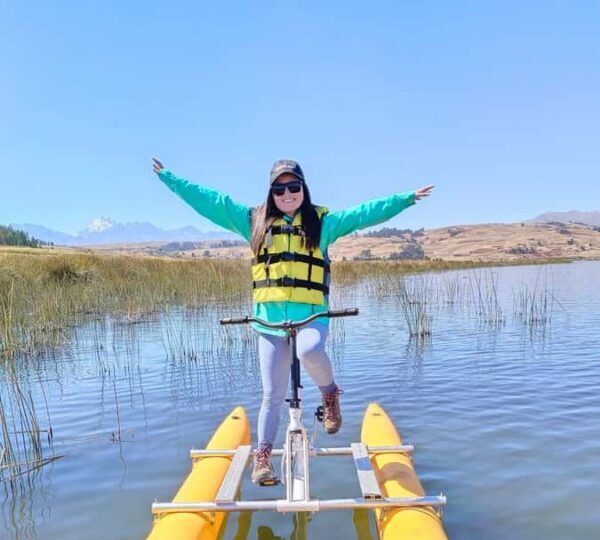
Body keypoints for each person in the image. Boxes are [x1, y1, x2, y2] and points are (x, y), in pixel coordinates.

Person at [153, 157, 433, 484]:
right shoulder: (252, 222)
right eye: (279, 188)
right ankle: (263, 457)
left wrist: (406, 199)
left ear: (303, 188)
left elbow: (363, 214)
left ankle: (330, 395)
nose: (287, 194)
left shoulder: (322, 224)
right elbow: (211, 202)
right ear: (271, 192)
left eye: (294, 187)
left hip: (311, 317)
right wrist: (169, 178)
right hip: (269, 324)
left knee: (309, 350)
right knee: (272, 394)